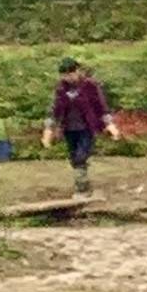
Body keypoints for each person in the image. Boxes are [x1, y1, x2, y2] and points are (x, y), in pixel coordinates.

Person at [48, 56, 113, 199]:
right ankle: (83, 184)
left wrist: (109, 124)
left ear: (77, 71)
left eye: (70, 74)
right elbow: (55, 109)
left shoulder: (89, 86)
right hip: (69, 128)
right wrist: (50, 128)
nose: (68, 78)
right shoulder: (61, 88)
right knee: (73, 157)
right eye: (64, 75)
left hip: (86, 127)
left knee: (81, 156)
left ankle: (81, 188)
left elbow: (101, 106)